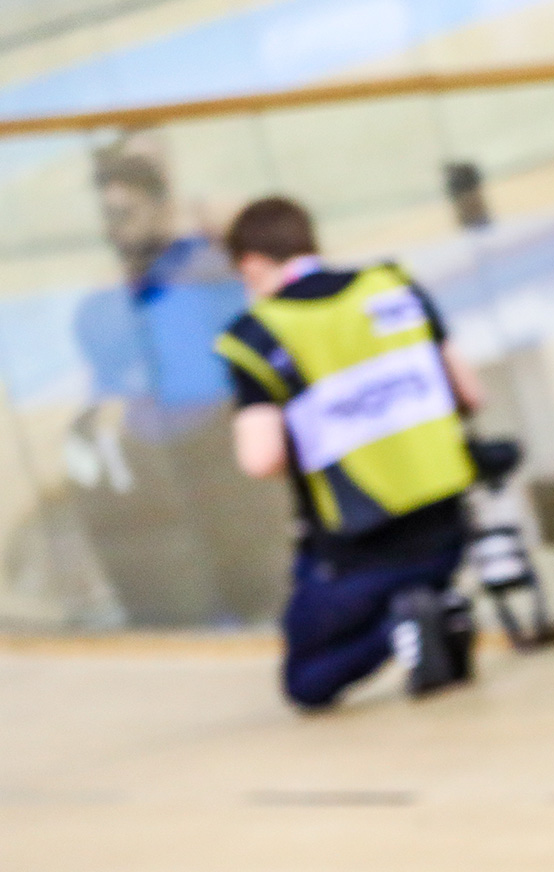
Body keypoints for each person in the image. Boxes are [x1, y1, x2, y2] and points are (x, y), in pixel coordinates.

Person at [213, 197, 483, 709]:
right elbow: (471, 394)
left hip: (357, 546)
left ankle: (405, 623)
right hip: (448, 529)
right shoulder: (393, 287)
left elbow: (260, 458)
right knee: (414, 586)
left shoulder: (256, 334)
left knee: (307, 682)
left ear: (250, 264)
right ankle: (436, 610)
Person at [69, 148, 288, 624]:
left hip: (223, 449)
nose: (116, 227)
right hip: (161, 463)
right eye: (109, 215)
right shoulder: (103, 307)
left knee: (259, 584)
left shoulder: (208, 272)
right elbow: (107, 391)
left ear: (160, 208)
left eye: (126, 212)